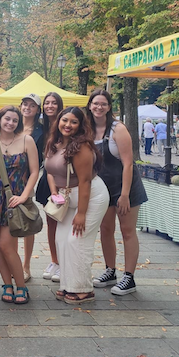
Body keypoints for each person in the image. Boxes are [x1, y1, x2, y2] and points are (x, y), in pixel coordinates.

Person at [44, 107, 109, 305]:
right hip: (67, 197)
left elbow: (85, 182)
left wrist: (81, 213)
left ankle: (83, 289)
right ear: (58, 121)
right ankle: (68, 284)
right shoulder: (55, 143)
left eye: (74, 122)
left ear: (80, 126)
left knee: (77, 240)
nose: (68, 125)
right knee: (61, 240)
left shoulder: (82, 147)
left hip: (90, 197)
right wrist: (54, 190)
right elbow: (49, 170)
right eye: (65, 120)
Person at [87, 89, 149, 296]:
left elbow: (128, 164)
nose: (99, 107)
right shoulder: (88, 130)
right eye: (96, 103)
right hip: (103, 188)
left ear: (109, 107)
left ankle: (129, 277)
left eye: (103, 104)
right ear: (90, 105)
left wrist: (124, 195)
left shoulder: (118, 129)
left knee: (127, 230)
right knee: (105, 229)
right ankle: (110, 270)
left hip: (126, 186)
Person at [0, 106, 39, 305]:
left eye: (14, 120)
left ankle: (21, 286)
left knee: (7, 245)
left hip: (15, 199)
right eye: (7, 119)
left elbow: (34, 172)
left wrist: (24, 196)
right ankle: (7, 284)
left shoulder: (27, 140)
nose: (10, 123)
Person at [35, 92, 64, 282]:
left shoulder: (66, 125)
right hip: (47, 179)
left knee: (65, 224)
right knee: (52, 222)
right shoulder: (40, 128)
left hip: (66, 179)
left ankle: (64, 262)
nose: (50, 106)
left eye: (54, 103)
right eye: (47, 103)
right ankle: (55, 261)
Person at [19, 93, 42, 282]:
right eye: (25, 104)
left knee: (28, 221)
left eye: (32, 105)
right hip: (7, 179)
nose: (27, 108)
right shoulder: (12, 124)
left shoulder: (40, 131)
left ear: (37, 110)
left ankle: (26, 265)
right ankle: (13, 262)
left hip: (27, 179)